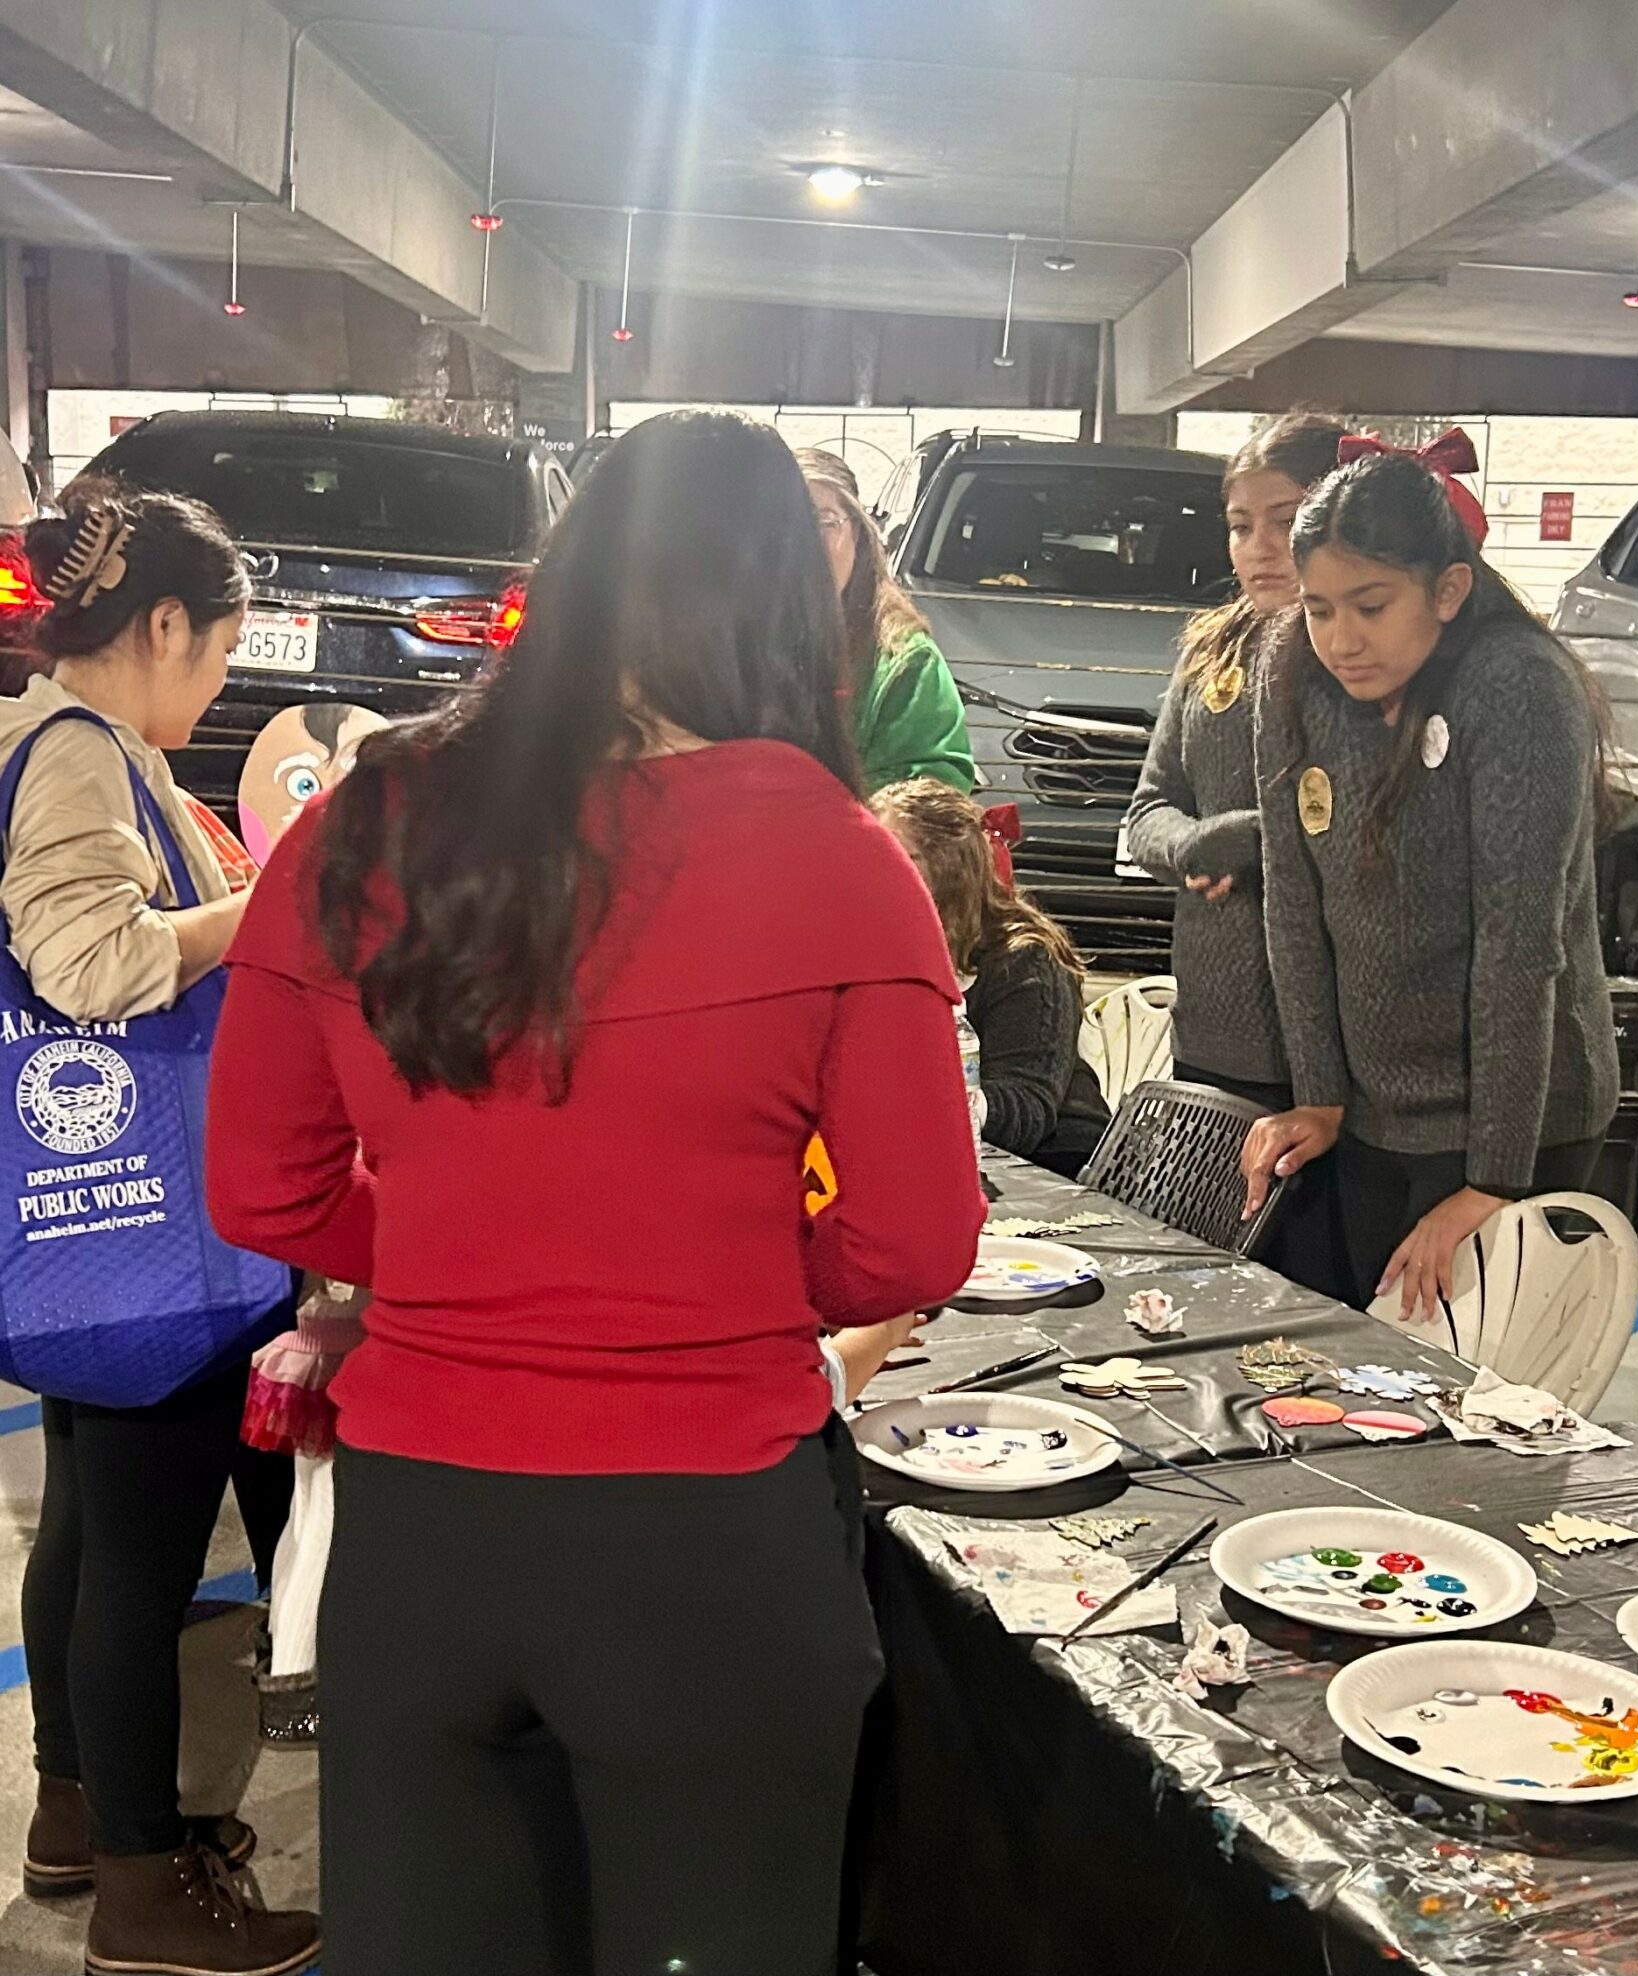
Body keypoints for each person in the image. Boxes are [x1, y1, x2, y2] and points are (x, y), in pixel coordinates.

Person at [205, 410, 983, 1975]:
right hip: (710, 1542)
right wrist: (724, 1276)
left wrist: (440, 1254)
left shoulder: (366, 819)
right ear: (785, 610)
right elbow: (916, 1237)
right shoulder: (838, 854)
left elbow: (258, 1183)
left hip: (426, 1537)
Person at [4, 486, 321, 1974]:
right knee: (135, 1552)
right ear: (165, 624)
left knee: (87, 1527)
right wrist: (257, 915)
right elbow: (89, 961)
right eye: (217, 651)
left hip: (91, 1236)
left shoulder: (70, 746)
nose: (220, 685)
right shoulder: (75, 755)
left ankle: (81, 1815)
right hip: (148, 1232)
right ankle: (141, 1889)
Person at [1242, 450, 1619, 1315]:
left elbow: (1519, 945)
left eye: (1372, 607)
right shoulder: (1290, 669)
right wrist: (1322, 1095)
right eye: (1320, 608)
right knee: (1353, 1370)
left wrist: (1493, 1180)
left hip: (1520, 1112)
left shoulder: (1518, 686)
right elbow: (1293, 899)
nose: (1341, 639)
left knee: (1468, 1391)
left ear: (1447, 592)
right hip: (1377, 1106)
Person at [1125, 413, 1348, 1108]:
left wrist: (1265, 837)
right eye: (1241, 525)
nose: (1261, 547)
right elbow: (1147, 810)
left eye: (1286, 519)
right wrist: (1197, 843)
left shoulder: (1360, 652)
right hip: (1215, 1025)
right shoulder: (1212, 647)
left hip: (1337, 1038)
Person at [870, 776, 1111, 1178]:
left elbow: (1028, 1108)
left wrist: (929, 1103)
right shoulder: (881, 950)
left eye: (892, 857)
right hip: (937, 1163)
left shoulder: (1025, 962)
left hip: (1053, 1172)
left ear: (948, 868)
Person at [798, 446, 976, 790]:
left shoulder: (905, 661)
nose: (806, 543)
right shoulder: (735, 644)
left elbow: (934, 787)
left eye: (824, 522)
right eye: (786, 525)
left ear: (859, 535)